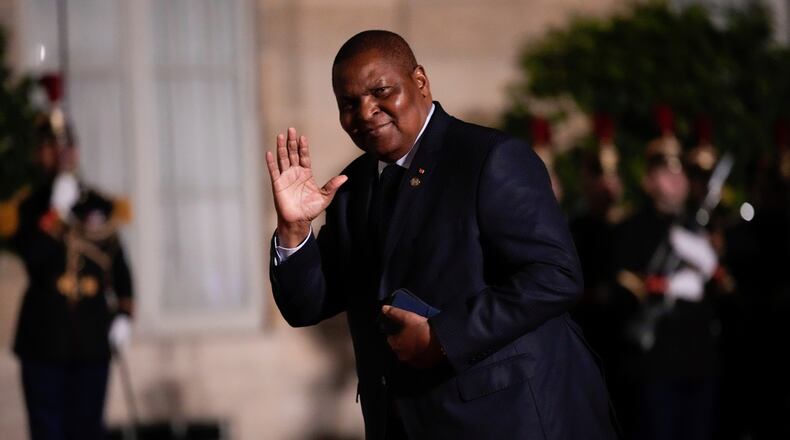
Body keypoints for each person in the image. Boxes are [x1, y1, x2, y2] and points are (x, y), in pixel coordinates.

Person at [266, 30, 616, 439]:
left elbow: (555, 275)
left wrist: (443, 337)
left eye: (381, 91)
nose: (365, 112)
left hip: (506, 418)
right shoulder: (352, 187)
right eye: (349, 103)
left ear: (419, 82)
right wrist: (294, 228)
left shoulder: (489, 157)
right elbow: (305, 306)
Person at [3, 113, 134, 440]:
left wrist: (124, 316)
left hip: (91, 338)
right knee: (47, 431)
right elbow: (32, 256)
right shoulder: (30, 206)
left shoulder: (99, 205)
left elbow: (120, 269)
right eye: (51, 146)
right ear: (40, 154)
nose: (61, 153)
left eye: (66, 146)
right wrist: (56, 215)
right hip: (43, 339)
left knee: (88, 431)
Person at [611, 122, 721, 440]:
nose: (676, 178)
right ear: (648, 180)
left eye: (680, 172)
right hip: (656, 361)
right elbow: (625, 286)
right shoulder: (632, 229)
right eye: (665, 171)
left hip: (700, 358)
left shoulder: (703, 226)